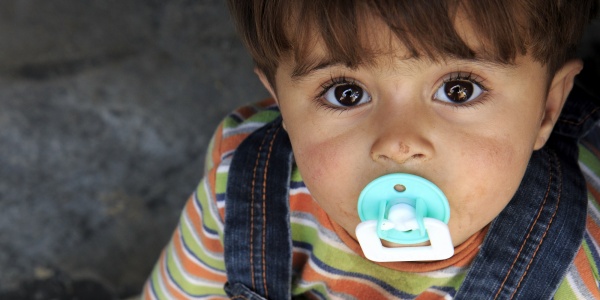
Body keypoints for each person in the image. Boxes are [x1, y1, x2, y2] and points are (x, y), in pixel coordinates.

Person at [143, 1, 600, 298]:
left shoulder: (582, 268)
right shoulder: (242, 186)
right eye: (346, 93)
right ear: (281, 102)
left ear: (547, 108)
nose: (399, 144)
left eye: (459, 89)